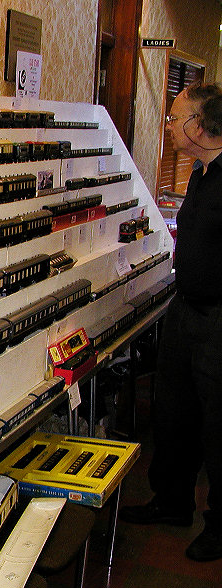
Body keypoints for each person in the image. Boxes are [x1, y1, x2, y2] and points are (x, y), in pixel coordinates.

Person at [119, 81, 222, 562]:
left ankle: (219, 527)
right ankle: (172, 501)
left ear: (200, 126)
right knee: (174, 411)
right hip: (186, 309)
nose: (170, 126)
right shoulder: (200, 172)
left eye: (176, 118)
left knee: (216, 424)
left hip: (217, 320)